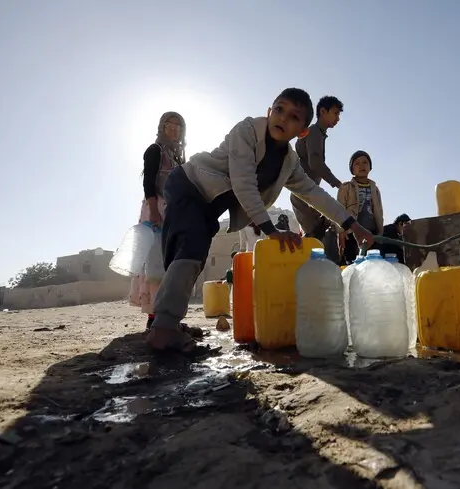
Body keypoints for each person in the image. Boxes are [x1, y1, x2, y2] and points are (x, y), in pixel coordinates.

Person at [147, 88, 374, 354]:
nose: (282, 118)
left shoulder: (289, 163)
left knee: (192, 255)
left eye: (293, 116)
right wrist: (270, 229)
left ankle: (170, 323)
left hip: (209, 204)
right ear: (269, 111)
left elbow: (314, 193)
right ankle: (163, 330)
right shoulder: (247, 131)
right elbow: (244, 182)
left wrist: (352, 225)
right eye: (279, 109)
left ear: (302, 131)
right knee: (190, 248)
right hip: (189, 184)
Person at [129, 112, 200, 338]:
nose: (175, 129)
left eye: (179, 126)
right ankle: (155, 318)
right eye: (170, 124)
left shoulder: (179, 157)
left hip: (175, 212)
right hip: (157, 210)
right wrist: (153, 211)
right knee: (157, 265)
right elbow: (149, 182)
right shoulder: (155, 151)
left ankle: (170, 317)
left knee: (173, 263)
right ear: (162, 126)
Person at [292, 95, 344, 240]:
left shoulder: (319, 134)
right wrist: (336, 183)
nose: (338, 118)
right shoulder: (314, 131)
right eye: (335, 113)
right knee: (315, 237)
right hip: (304, 193)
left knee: (319, 234)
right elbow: (315, 163)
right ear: (322, 111)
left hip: (306, 193)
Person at [337, 150, 384, 264]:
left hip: (371, 233)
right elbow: (339, 209)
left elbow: (379, 212)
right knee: (353, 263)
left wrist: (380, 233)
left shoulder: (375, 189)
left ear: (370, 167)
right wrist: (341, 232)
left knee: (372, 265)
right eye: (357, 163)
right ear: (352, 169)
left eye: (365, 162)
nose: (362, 166)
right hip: (351, 233)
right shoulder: (346, 187)